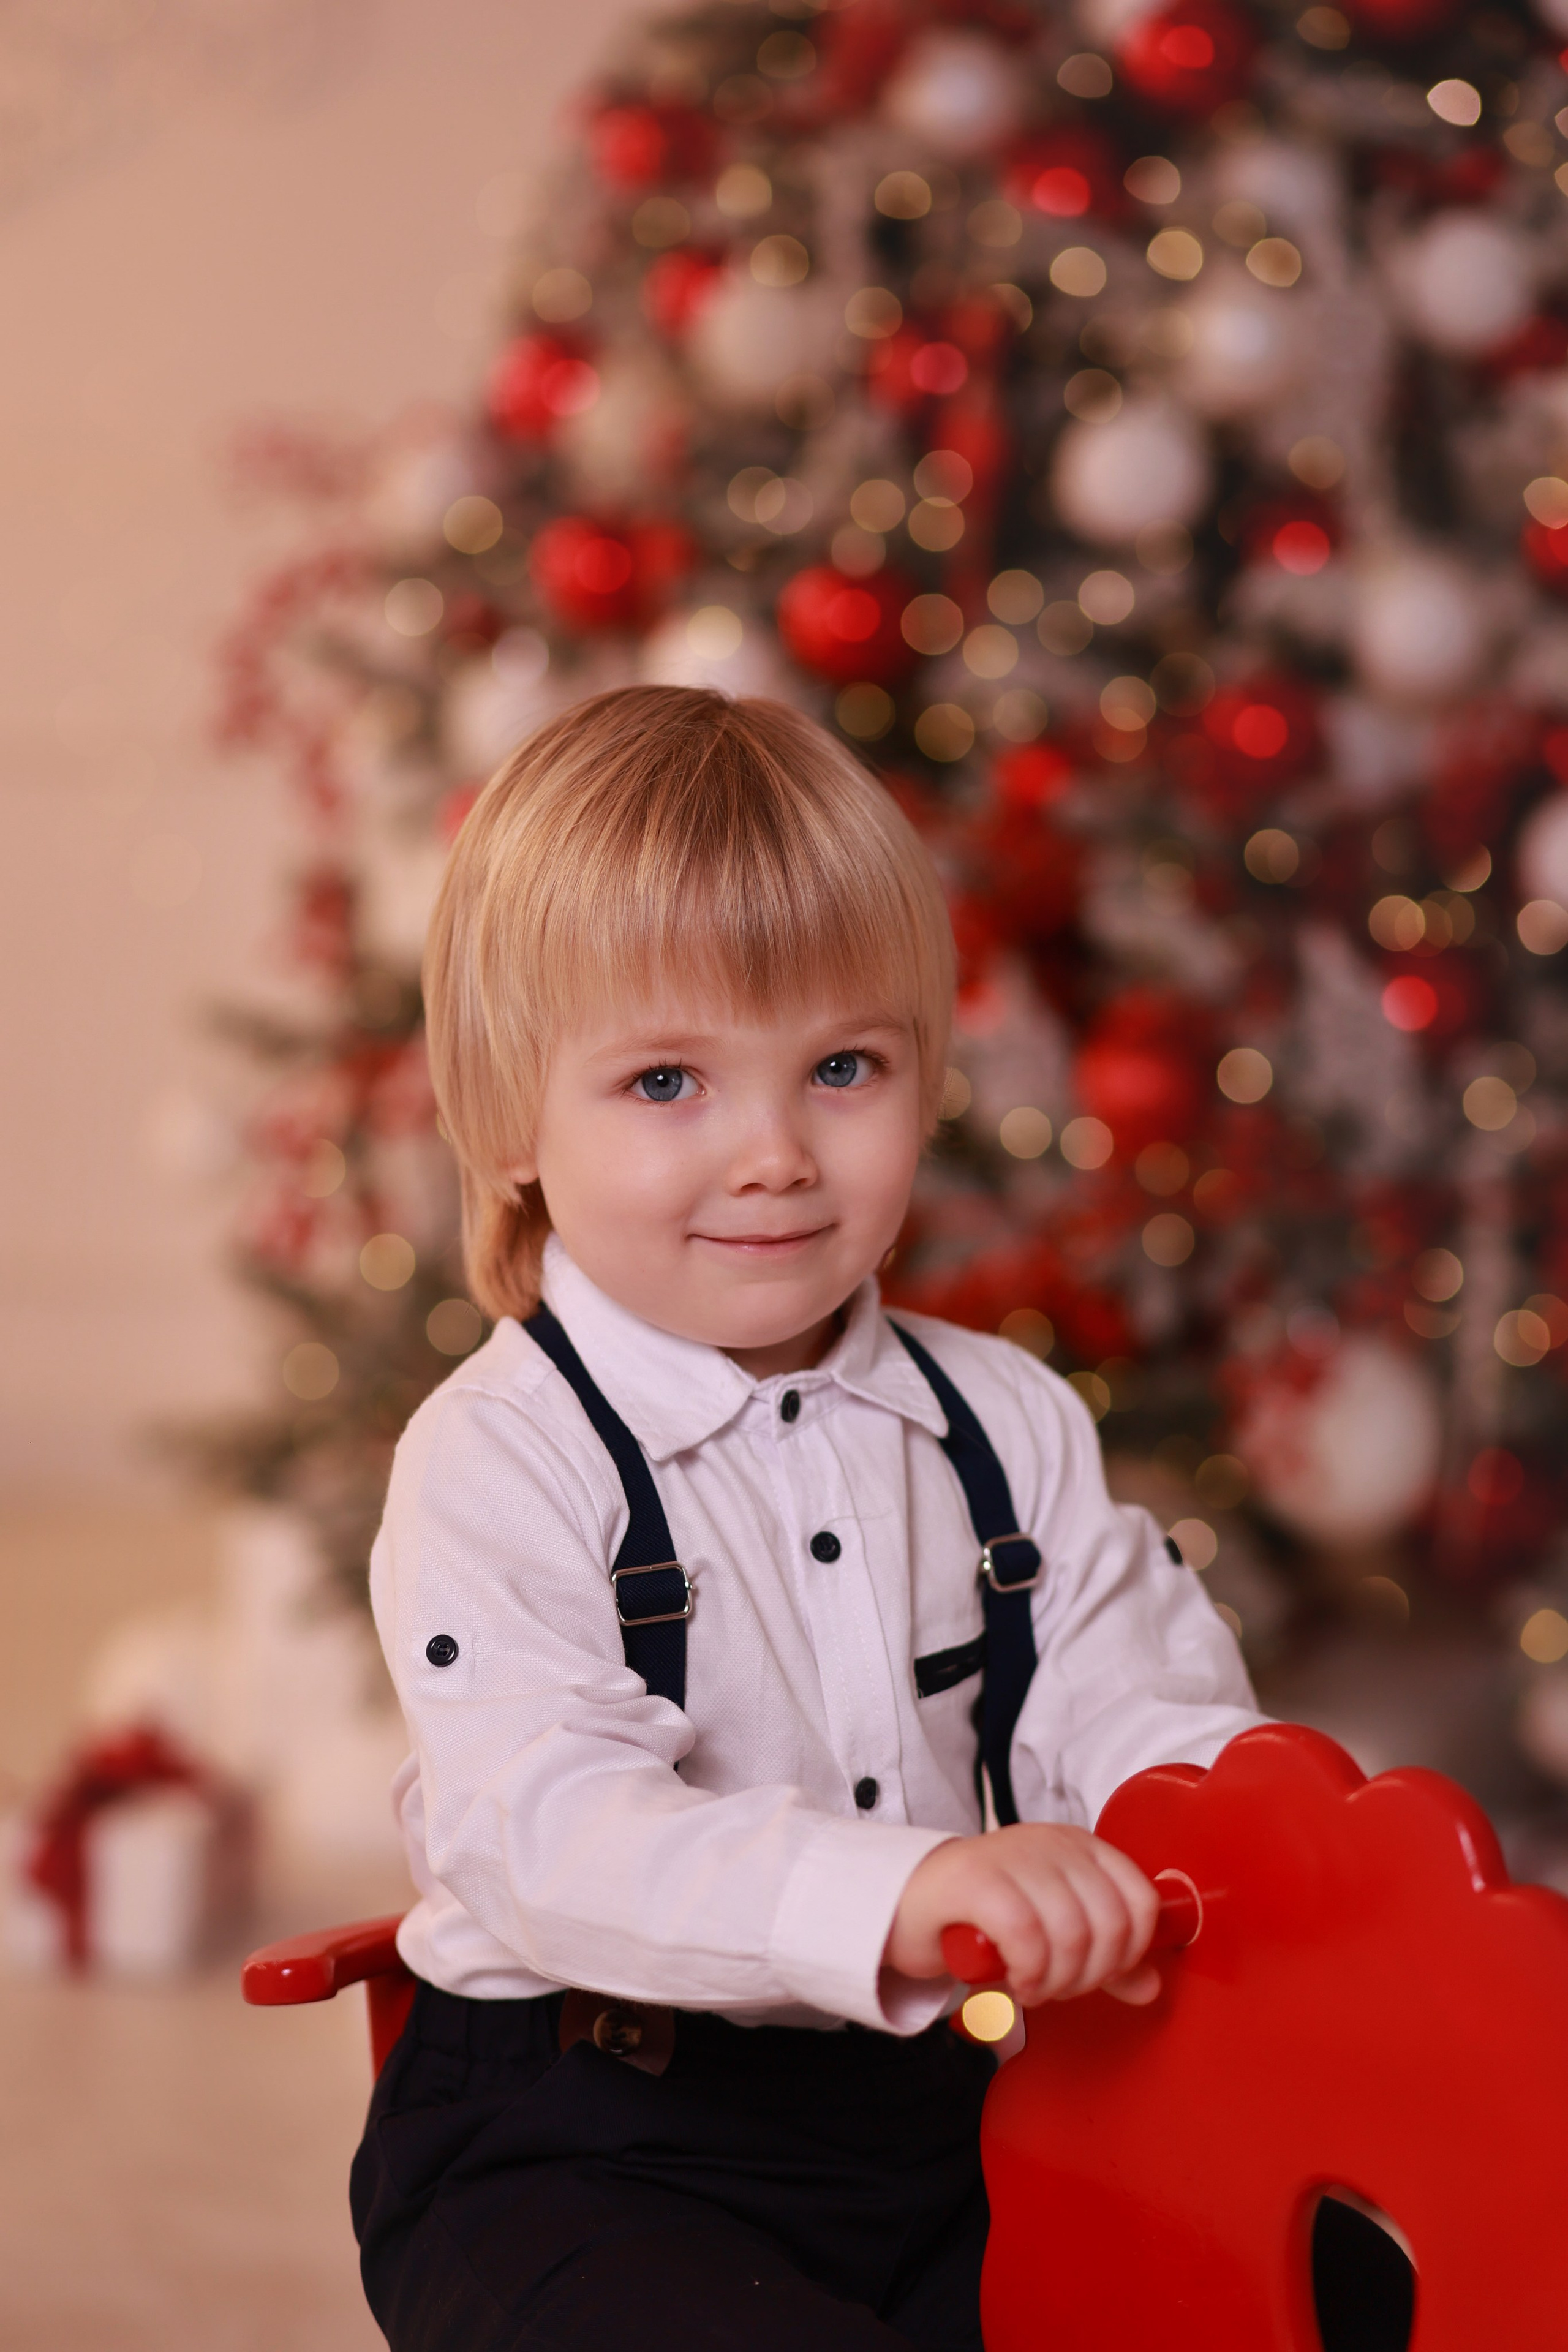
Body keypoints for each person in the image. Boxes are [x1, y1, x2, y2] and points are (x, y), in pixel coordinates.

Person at [350, 684, 1266, 2352]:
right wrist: (906, 1889)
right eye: (667, 1083)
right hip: (584, 2132)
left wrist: (1165, 1830)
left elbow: (1140, 1692)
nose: (774, 1153)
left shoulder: (1004, 1421)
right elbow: (551, 1830)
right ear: (507, 1125)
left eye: (842, 1067)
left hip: (946, 2103)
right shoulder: (502, 1457)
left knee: (1273, 2280)